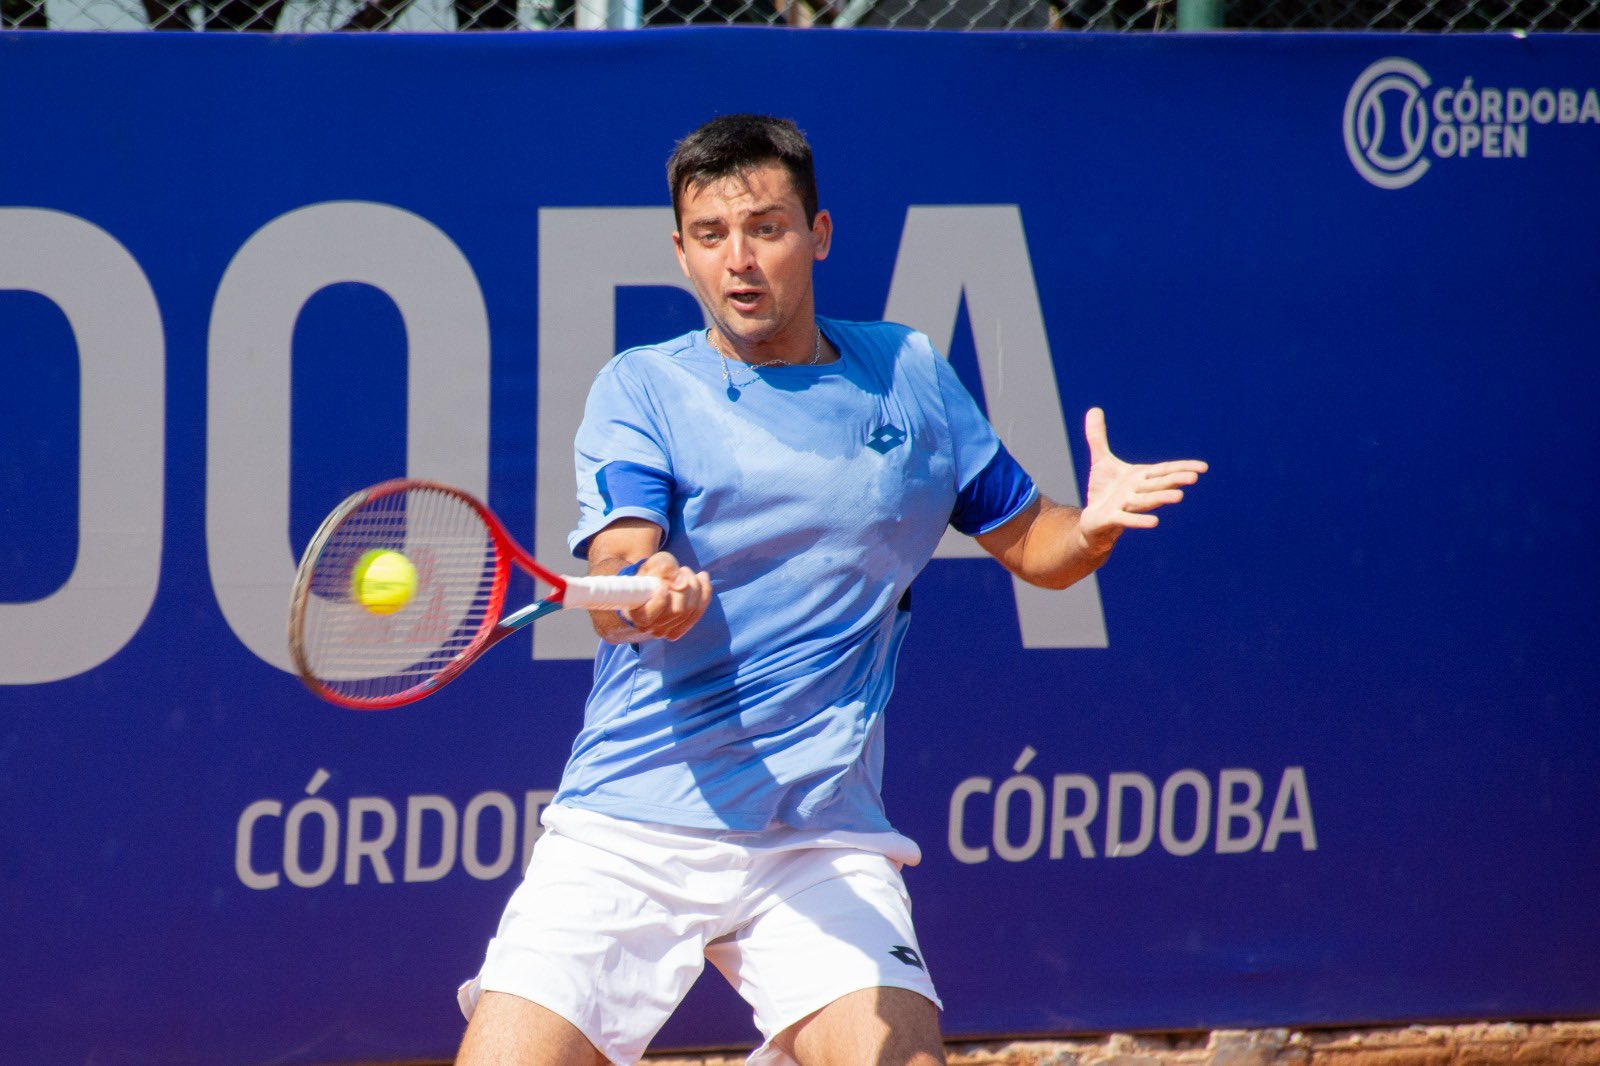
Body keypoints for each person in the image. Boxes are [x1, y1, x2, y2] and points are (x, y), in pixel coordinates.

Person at [455, 114, 1207, 1066]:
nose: (739, 261)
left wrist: (1091, 526)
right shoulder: (643, 389)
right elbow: (616, 577)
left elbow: (1039, 548)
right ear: (680, 251)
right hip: (631, 822)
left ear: (818, 234)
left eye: (766, 228)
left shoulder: (910, 378)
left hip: (819, 837)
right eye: (711, 235)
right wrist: (645, 587)